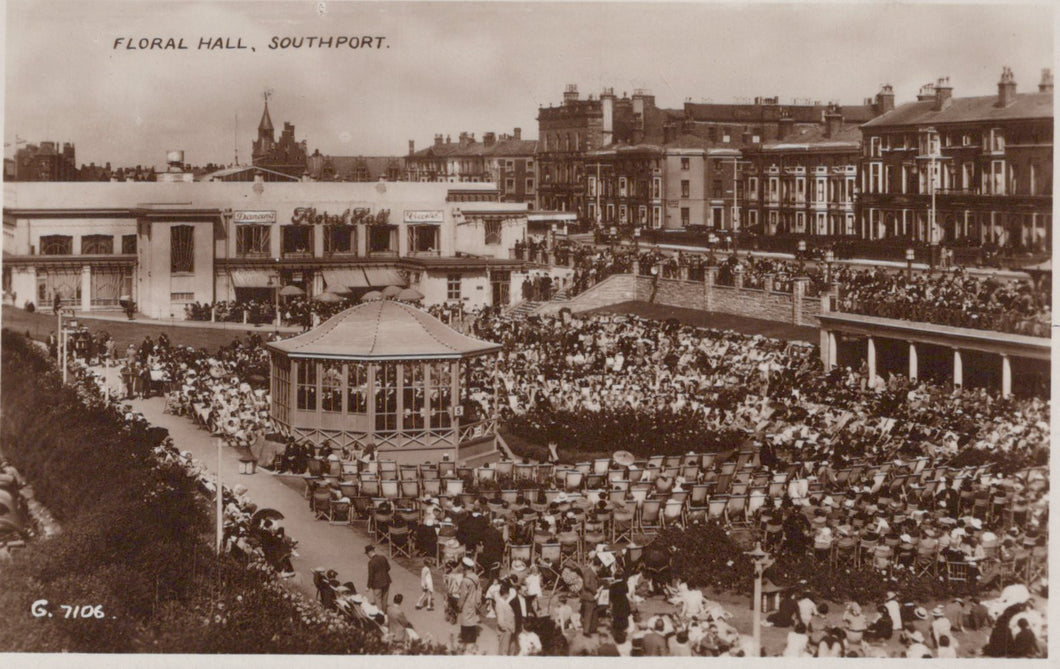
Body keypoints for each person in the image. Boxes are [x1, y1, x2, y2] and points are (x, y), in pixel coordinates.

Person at [456, 557, 482, 649]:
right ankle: (472, 641)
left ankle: (466, 643)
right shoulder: (476, 577)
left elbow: (463, 595)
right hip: (474, 603)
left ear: (464, 568)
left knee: (465, 622)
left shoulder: (465, 580)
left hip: (467, 604)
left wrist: (459, 605)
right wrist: (478, 601)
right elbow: (479, 590)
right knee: (472, 621)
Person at [365, 544, 391, 615]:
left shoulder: (371, 562)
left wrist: (368, 586)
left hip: (377, 584)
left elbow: (371, 576)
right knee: (384, 599)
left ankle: (380, 616)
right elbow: (388, 568)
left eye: (367, 554)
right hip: (386, 581)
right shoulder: (383, 557)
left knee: (378, 600)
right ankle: (385, 613)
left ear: (369, 553)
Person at [492, 581, 517, 655]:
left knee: (508, 648)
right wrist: (506, 628)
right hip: (505, 630)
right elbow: (500, 619)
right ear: (506, 594)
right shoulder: (500, 604)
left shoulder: (503, 602)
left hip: (509, 629)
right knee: (504, 650)